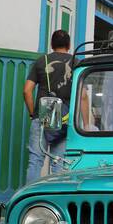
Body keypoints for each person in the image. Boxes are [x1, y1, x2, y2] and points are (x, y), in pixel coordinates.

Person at [24, 30, 73, 182]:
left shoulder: (41, 61)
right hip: (65, 120)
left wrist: (33, 114)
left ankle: (30, 202)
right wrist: (84, 123)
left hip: (43, 115)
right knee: (59, 163)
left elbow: (26, 91)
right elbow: (83, 96)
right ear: (69, 45)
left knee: (35, 161)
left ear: (51, 44)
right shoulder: (76, 62)